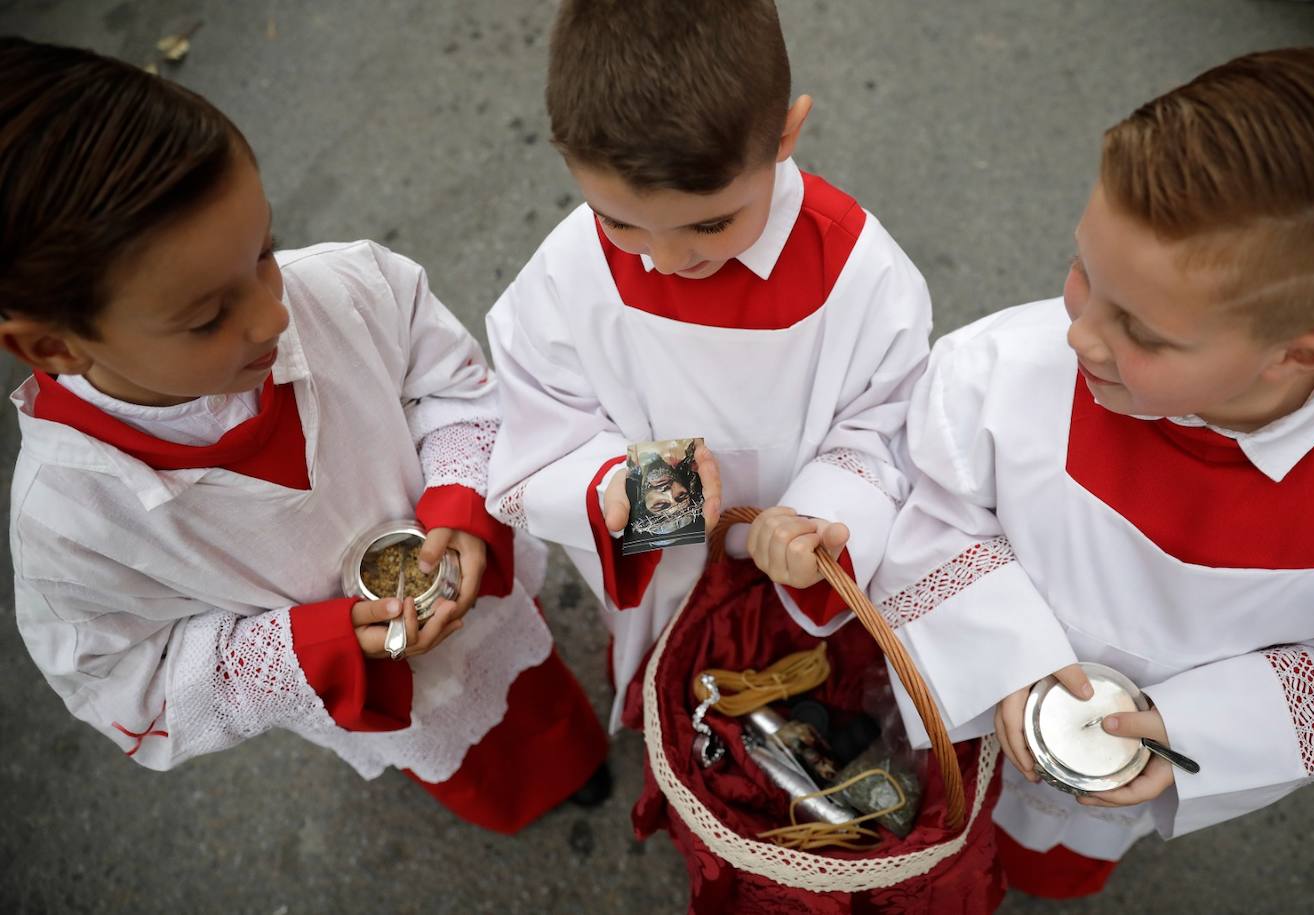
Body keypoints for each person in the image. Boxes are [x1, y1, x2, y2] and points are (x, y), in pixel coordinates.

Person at [1, 37, 607, 835]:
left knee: (534, 680)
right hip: (360, 679)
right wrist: (302, 651)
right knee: (459, 754)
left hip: (471, 571)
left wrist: (461, 500)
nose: (271, 316)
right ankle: (523, 795)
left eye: (263, 251)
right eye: (208, 317)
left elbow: (448, 380)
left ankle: (580, 758)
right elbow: (122, 679)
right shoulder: (70, 523)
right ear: (54, 347)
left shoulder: (344, 286)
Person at [865, 48, 1314, 897]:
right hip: (965, 694)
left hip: (1129, 764)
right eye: (1083, 272)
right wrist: (1001, 653)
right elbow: (934, 503)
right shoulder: (1004, 370)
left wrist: (1192, 727)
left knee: (1047, 858)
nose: (1078, 336)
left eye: (1139, 329)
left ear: (1299, 355)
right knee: (930, 817)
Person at [485, 0, 932, 726]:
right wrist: (634, 490)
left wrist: (823, 520)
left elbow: (885, 424)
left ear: (786, 132)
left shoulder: (858, 271)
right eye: (620, 221)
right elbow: (538, 430)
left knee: (805, 703)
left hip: (797, 563)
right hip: (663, 578)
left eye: (711, 223)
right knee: (677, 687)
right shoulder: (572, 271)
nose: (666, 259)